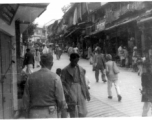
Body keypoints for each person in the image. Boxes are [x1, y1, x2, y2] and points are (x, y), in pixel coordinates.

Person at [23, 53, 67, 118]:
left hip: (34, 113)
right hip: (50, 113)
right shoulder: (56, 78)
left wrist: (26, 115)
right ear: (52, 64)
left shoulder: (30, 77)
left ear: (40, 63)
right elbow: (61, 100)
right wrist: (60, 113)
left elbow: (26, 99)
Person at [61, 53, 90, 118]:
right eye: (74, 61)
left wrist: (87, 93)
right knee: (73, 108)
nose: (76, 63)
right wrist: (66, 93)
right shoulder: (65, 70)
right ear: (70, 59)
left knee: (83, 109)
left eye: (77, 61)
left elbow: (83, 82)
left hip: (80, 88)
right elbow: (62, 83)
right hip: (71, 89)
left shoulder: (81, 69)